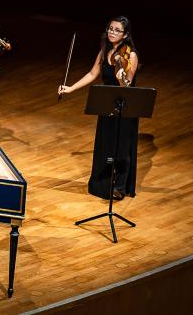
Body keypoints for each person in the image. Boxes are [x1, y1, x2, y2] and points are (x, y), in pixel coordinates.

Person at [57, 16, 140, 200]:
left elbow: (126, 85)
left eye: (117, 30)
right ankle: (102, 182)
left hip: (126, 107)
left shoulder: (131, 55)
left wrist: (120, 76)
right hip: (107, 104)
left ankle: (119, 185)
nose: (112, 32)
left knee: (121, 146)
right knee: (106, 143)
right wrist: (70, 88)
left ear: (125, 34)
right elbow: (93, 73)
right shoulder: (104, 51)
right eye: (110, 28)